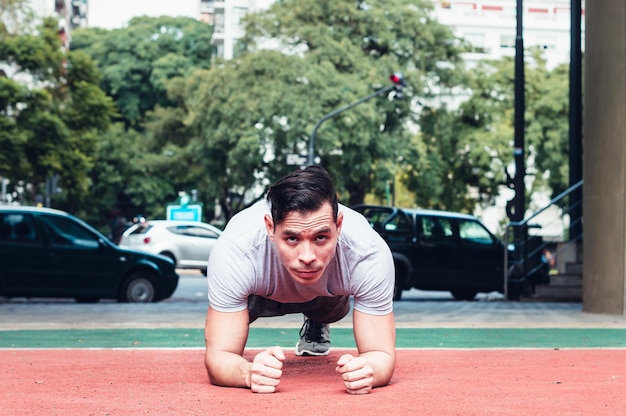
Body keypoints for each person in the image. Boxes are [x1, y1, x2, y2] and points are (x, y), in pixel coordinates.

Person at [204, 166, 396, 394]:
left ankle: (316, 319)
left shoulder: (367, 253)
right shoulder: (236, 250)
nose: (307, 257)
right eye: (292, 238)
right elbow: (219, 356)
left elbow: (381, 354)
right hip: (259, 295)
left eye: (321, 237)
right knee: (228, 326)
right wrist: (247, 372)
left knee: (329, 308)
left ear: (339, 226)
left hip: (324, 297)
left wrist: (369, 370)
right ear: (270, 228)